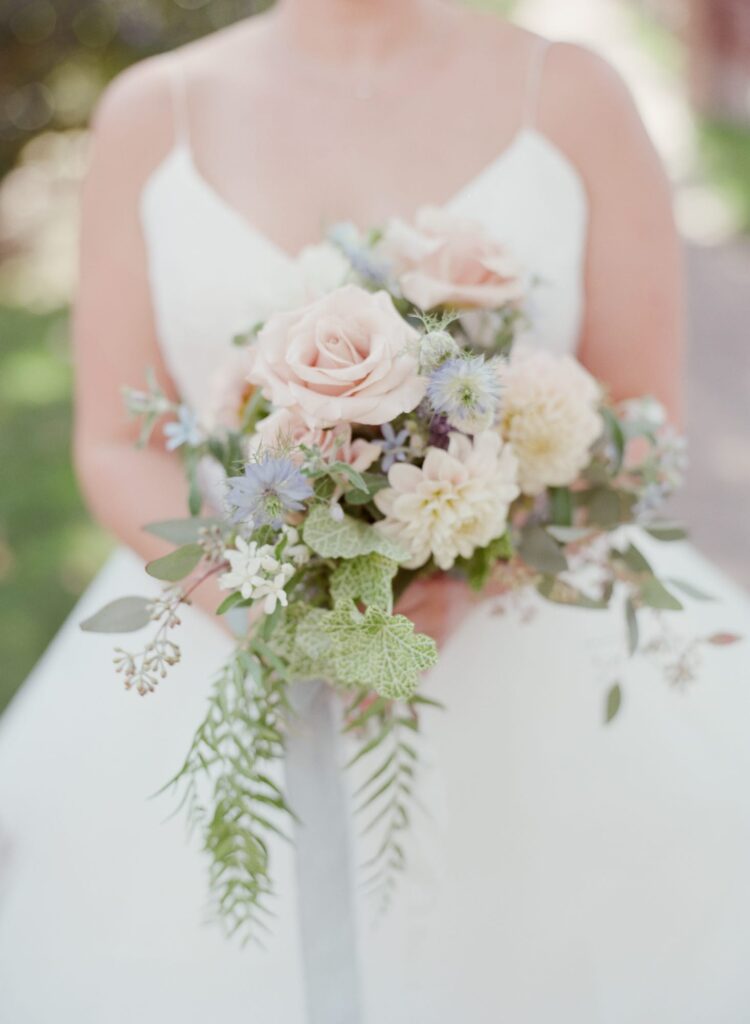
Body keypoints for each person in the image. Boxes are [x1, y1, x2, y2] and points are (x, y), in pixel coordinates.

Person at [1, 2, 749, 1020]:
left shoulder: (572, 93)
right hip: (227, 632)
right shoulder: (153, 113)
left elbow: (641, 417)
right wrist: (267, 607)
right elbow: (114, 439)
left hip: (523, 658)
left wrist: (468, 570)